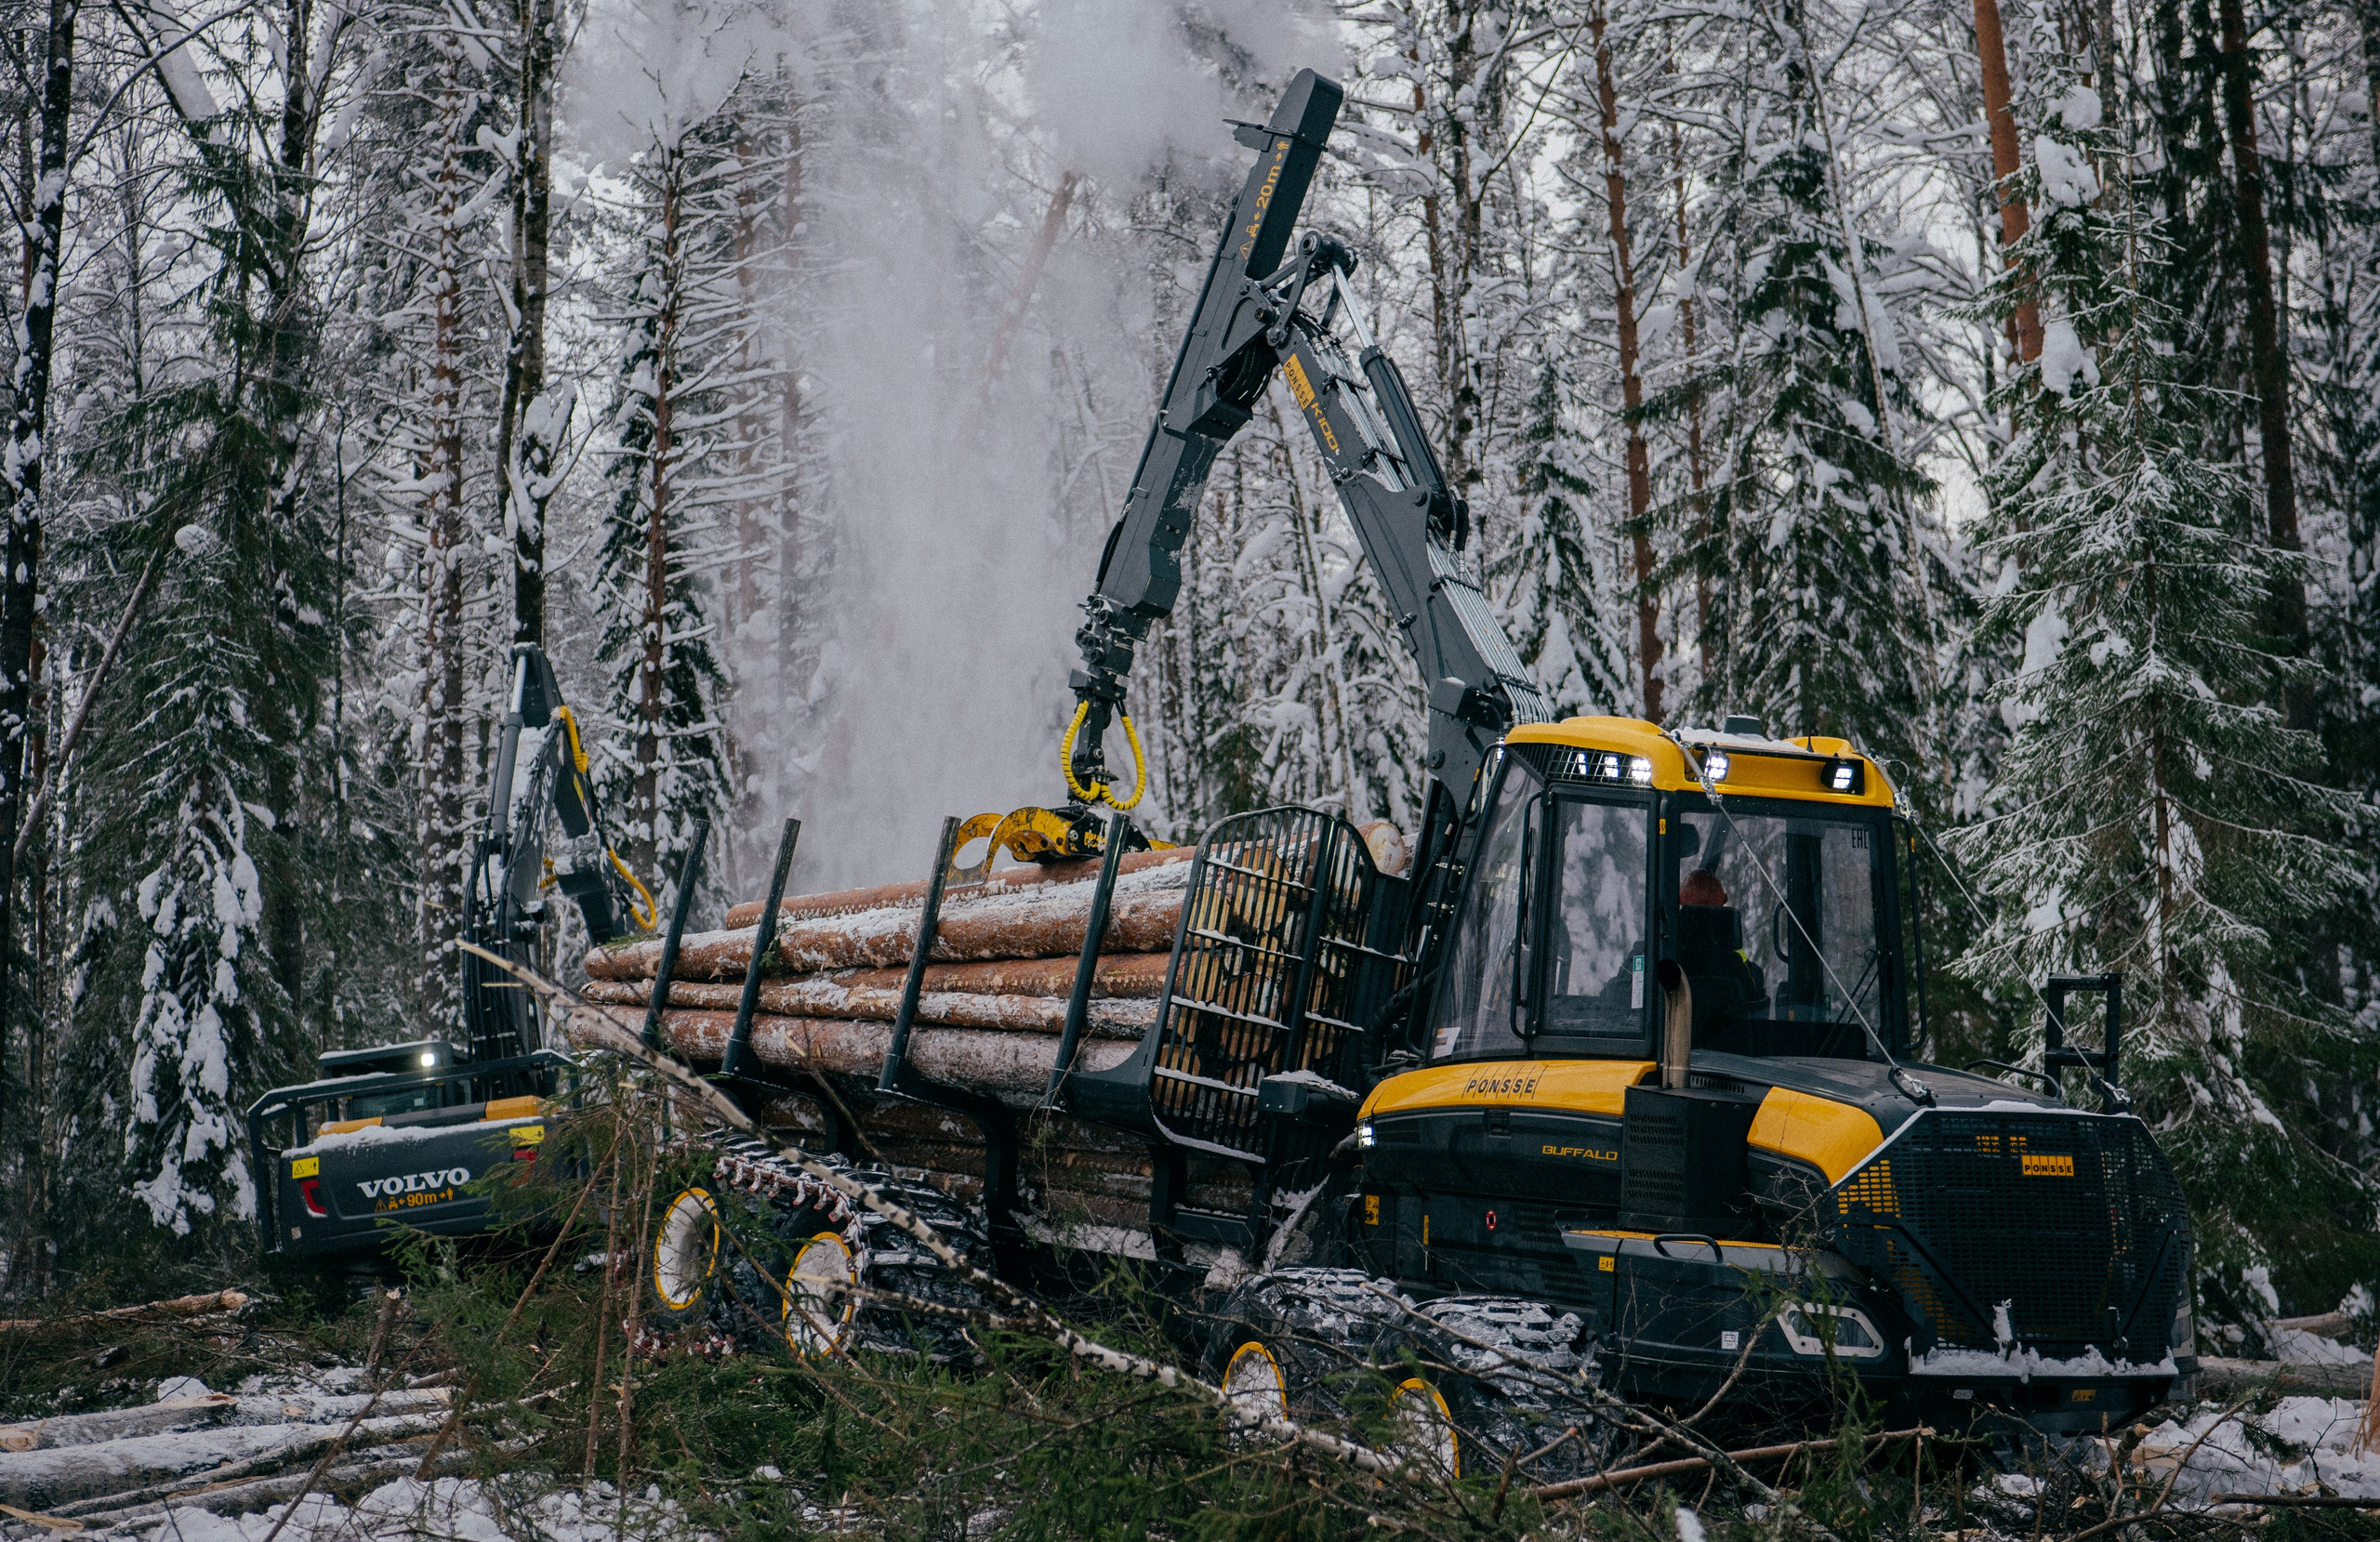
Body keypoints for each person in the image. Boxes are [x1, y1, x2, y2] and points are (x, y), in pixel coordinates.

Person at [1674, 866, 1766, 1041]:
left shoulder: (1658, 951)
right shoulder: (1741, 967)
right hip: (1732, 1055)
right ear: (1723, 901)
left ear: (1681, 898)